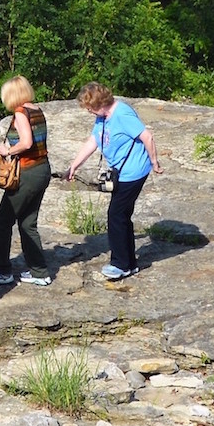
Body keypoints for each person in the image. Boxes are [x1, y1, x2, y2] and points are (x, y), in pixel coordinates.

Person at [56, 83, 160, 283]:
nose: (88, 112)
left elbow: (147, 136)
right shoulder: (102, 117)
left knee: (115, 215)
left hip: (133, 171)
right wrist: (74, 166)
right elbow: (93, 141)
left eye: (90, 108)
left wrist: (155, 162)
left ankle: (120, 264)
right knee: (122, 216)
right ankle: (130, 263)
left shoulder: (122, 114)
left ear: (101, 104)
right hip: (121, 173)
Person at [0, 77, 52, 288]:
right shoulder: (36, 110)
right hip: (42, 169)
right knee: (28, 223)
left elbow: (27, 142)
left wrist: (7, 151)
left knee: (3, 220)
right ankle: (40, 273)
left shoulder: (21, 113)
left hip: (28, 173)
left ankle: (2, 271)